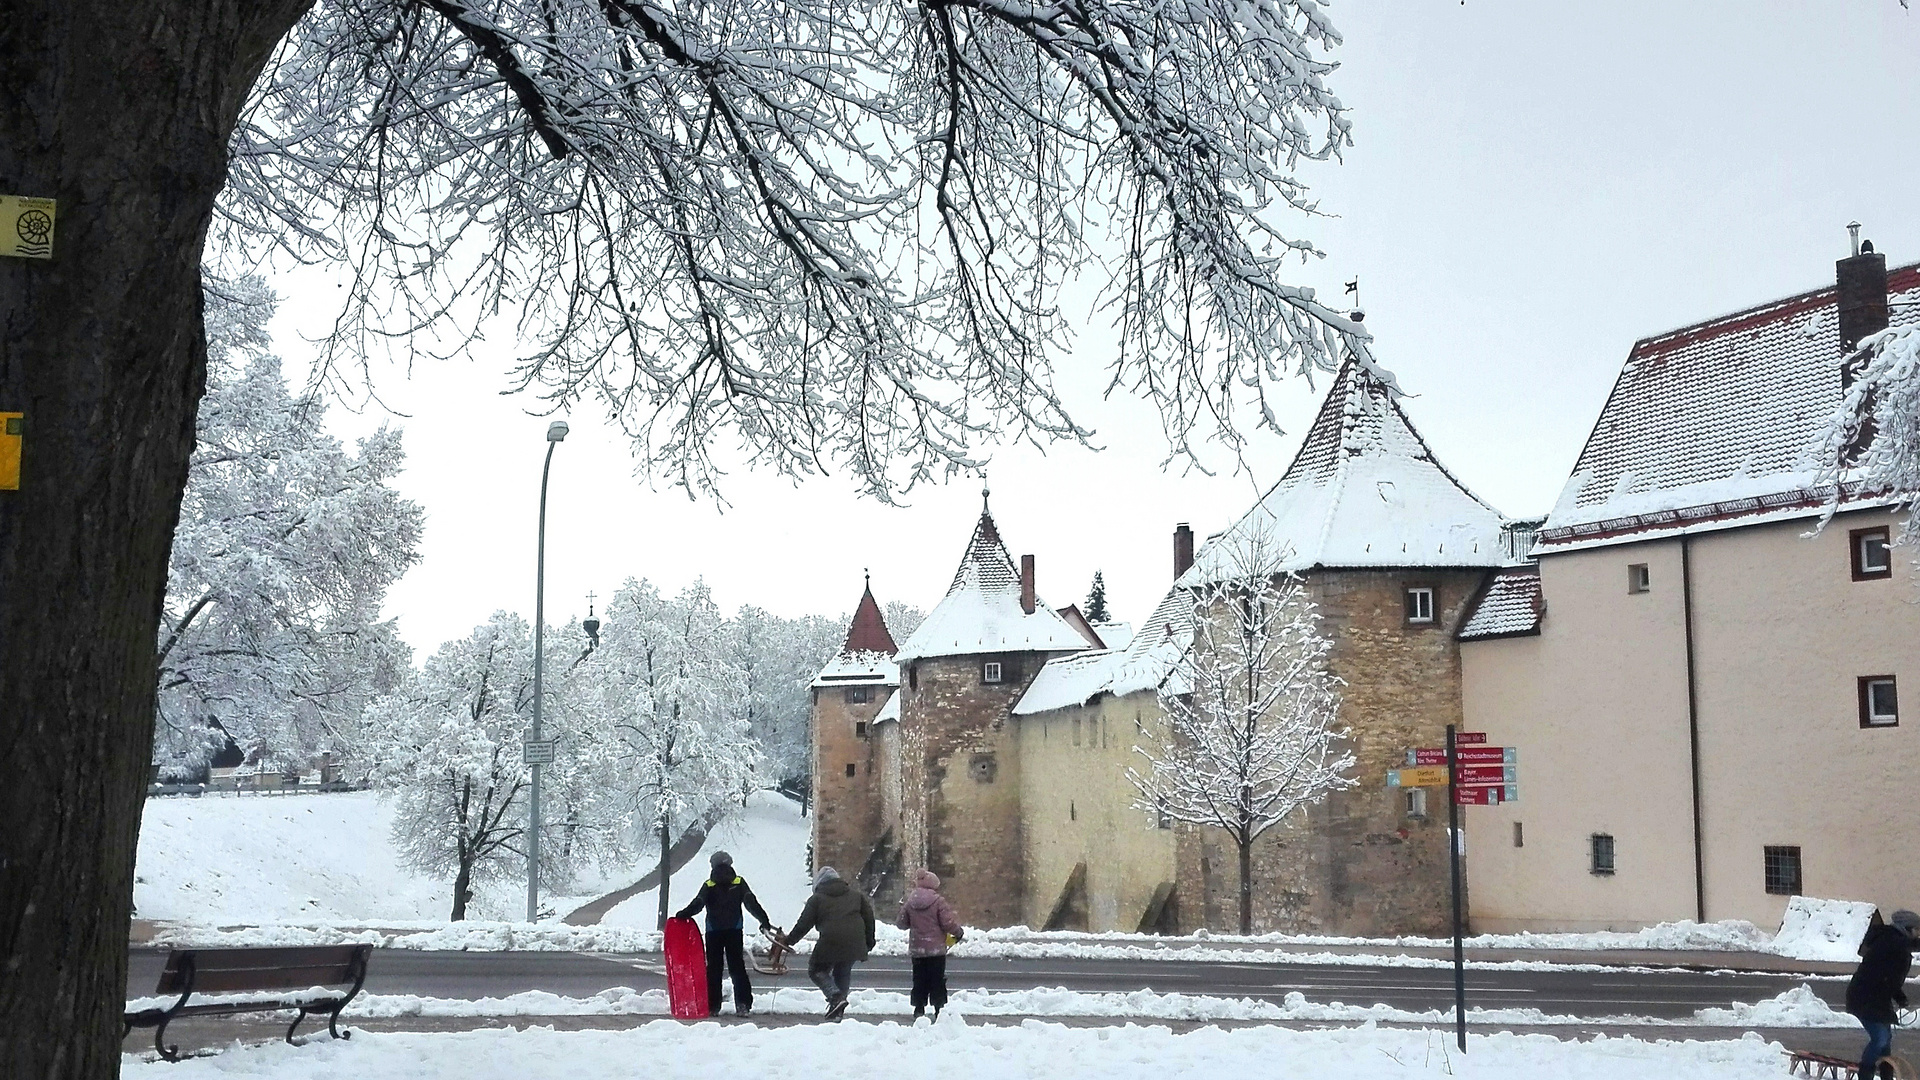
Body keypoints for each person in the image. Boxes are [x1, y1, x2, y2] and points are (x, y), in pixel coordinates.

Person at [673, 851, 774, 1017]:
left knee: (714, 969)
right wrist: (764, 920)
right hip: (735, 930)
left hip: (713, 931)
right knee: (737, 968)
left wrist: (683, 914)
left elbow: (698, 903)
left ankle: (713, 1006)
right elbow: (751, 902)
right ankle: (743, 1005)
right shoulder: (739, 882)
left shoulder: (709, 884)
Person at [785, 866, 875, 1021]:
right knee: (843, 971)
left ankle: (835, 997)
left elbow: (804, 924)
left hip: (831, 939)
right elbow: (869, 918)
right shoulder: (856, 896)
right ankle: (838, 1011)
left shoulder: (817, 899)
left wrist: (789, 940)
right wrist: (869, 941)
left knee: (816, 970)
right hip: (855, 940)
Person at [1848, 909, 1920, 1080]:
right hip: (1864, 997)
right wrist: (1895, 994)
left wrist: (1899, 997)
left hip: (1877, 998)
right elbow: (1886, 975)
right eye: (1917, 930)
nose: (1918, 934)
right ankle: (1865, 1074)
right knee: (1880, 1038)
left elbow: (1889, 977)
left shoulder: (1893, 940)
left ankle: (1886, 1076)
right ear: (1907, 928)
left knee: (1885, 1041)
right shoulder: (1892, 942)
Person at [896, 868, 965, 1022]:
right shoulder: (938, 901)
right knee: (937, 979)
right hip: (936, 950)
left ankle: (918, 1008)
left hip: (917, 948)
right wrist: (958, 932)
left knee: (919, 978)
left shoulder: (910, 901)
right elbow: (948, 923)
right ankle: (938, 1008)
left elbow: (901, 923)